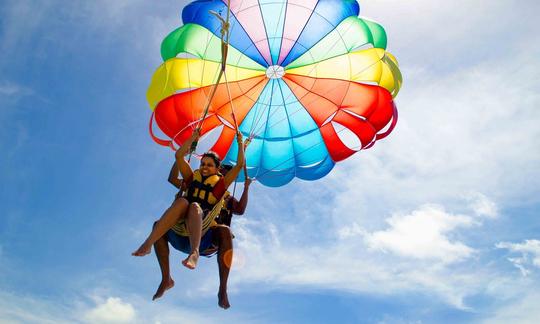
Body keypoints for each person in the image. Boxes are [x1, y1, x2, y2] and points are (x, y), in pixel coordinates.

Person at [132, 130, 245, 299]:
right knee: (182, 204)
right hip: (179, 230)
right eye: (203, 164)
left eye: (209, 165)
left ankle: (195, 254)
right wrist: (193, 139)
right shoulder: (193, 178)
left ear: (217, 169)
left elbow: (238, 166)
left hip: (201, 234)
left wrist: (241, 144)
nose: (205, 167)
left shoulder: (220, 186)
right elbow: (179, 156)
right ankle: (153, 252)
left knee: (194, 206)